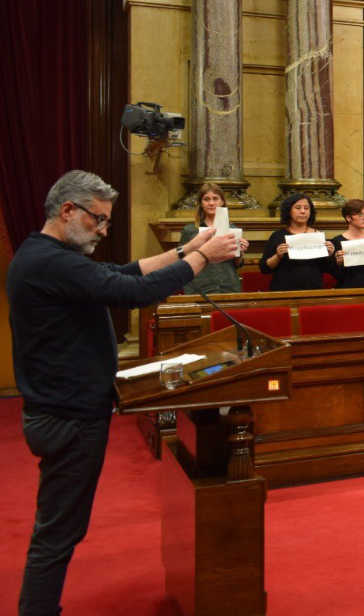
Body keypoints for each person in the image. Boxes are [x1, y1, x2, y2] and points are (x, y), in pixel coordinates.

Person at [10, 170, 239, 616]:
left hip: (67, 411)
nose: (102, 230)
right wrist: (203, 260)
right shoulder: (48, 260)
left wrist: (188, 248)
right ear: (67, 210)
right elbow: (130, 292)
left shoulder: (47, 254)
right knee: (57, 533)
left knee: (60, 529)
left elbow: (121, 272)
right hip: (67, 416)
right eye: (98, 220)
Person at [179, 182, 249, 295]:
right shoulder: (190, 231)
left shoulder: (233, 229)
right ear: (201, 203)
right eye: (206, 199)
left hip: (228, 286)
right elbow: (183, 263)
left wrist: (240, 253)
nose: (211, 203)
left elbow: (236, 264)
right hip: (200, 288)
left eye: (215, 199)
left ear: (222, 202)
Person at [260, 192, 334, 291]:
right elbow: (264, 269)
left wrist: (329, 255)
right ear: (289, 211)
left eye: (306, 208)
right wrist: (277, 256)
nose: (303, 211)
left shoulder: (318, 236)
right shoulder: (278, 236)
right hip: (284, 291)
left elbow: (327, 269)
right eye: (298, 208)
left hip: (313, 290)